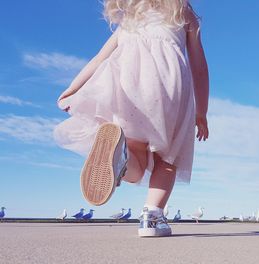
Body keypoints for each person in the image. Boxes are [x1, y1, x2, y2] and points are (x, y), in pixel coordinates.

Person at [54, 0, 209, 237]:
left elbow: (99, 58)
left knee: (133, 157)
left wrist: (73, 88)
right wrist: (202, 112)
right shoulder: (183, 13)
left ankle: (118, 156)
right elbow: (199, 66)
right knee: (167, 158)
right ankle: (152, 217)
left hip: (128, 85)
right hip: (169, 85)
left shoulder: (131, 18)